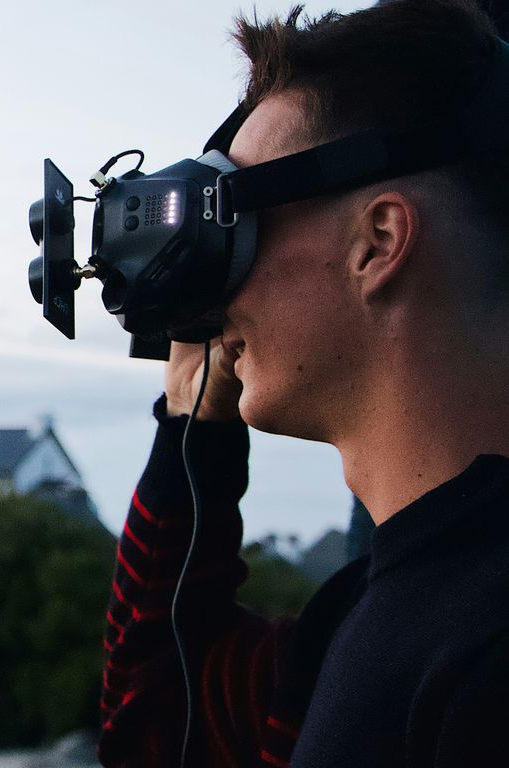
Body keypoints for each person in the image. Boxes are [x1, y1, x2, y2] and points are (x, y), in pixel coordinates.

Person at [97, 1, 509, 766]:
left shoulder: (484, 654)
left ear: (378, 242)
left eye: (232, 224)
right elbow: (156, 732)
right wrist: (193, 432)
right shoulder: (359, 615)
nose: (215, 289)